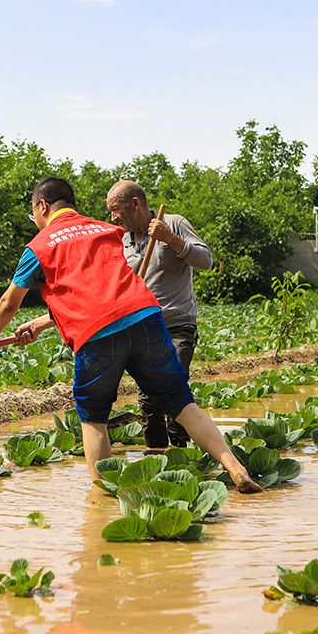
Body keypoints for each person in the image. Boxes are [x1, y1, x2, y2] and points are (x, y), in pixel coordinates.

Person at [0, 177, 260, 493]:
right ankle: (236, 469)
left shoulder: (39, 246)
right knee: (181, 402)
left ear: (42, 207)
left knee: (94, 416)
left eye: (34, 213)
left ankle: (102, 496)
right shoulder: (105, 231)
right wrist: (42, 323)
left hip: (97, 333)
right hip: (145, 317)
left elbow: (8, 302)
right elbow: (101, 288)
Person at [106, 180, 213, 450]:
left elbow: (206, 261)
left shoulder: (174, 223)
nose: (113, 218)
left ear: (135, 204)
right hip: (143, 328)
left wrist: (171, 239)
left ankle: (181, 454)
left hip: (178, 325)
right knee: (148, 400)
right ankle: (155, 458)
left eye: (115, 210)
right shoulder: (121, 240)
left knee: (173, 388)